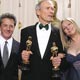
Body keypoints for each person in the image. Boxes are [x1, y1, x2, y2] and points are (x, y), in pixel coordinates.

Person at [19, 0, 66, 80]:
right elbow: (19, 59)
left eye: (52, 9)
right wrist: (22, 57)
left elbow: (64, 58)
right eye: (48, 8)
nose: (52, 11)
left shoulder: (60, 32)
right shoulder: (25, 32)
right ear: (38, 12)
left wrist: (60, 61)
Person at [0, 13, 20, 80]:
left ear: (14, 27)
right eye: (5, 25)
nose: (8, 29)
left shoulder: (20, 46)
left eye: (11, 26)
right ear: (0, 27)